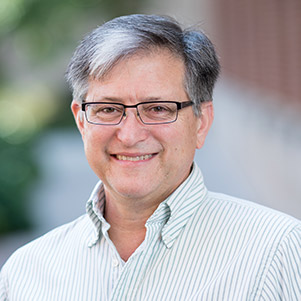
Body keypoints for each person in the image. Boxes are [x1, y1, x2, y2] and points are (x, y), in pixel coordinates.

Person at [1, 14, 300, 301]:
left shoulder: (276, 252)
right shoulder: (25, 273)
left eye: (158, 109)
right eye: (108, 109)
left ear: (201, 121)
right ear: (82, 122)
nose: (130, 136)